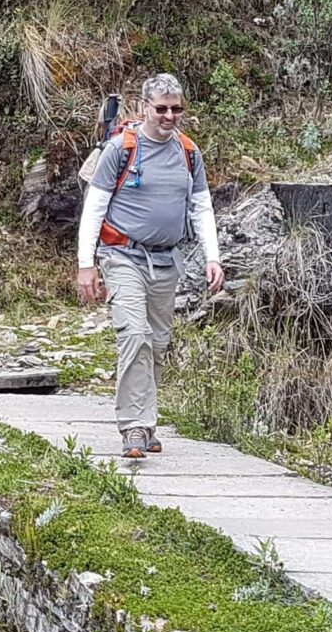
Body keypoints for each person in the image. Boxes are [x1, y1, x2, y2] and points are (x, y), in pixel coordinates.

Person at [75, 74, 225, 460]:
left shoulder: (189, 153)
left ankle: (147, 419)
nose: (169, 116)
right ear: (144, 107)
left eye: (176, 109)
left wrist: (213, 256)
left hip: (166, 260)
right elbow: (94, 208)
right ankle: (134, 427)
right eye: (161, 109)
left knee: (158, 343)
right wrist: (85, 265)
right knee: (135, 334)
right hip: (121, 255)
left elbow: (201, 206)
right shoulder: (121, 150)